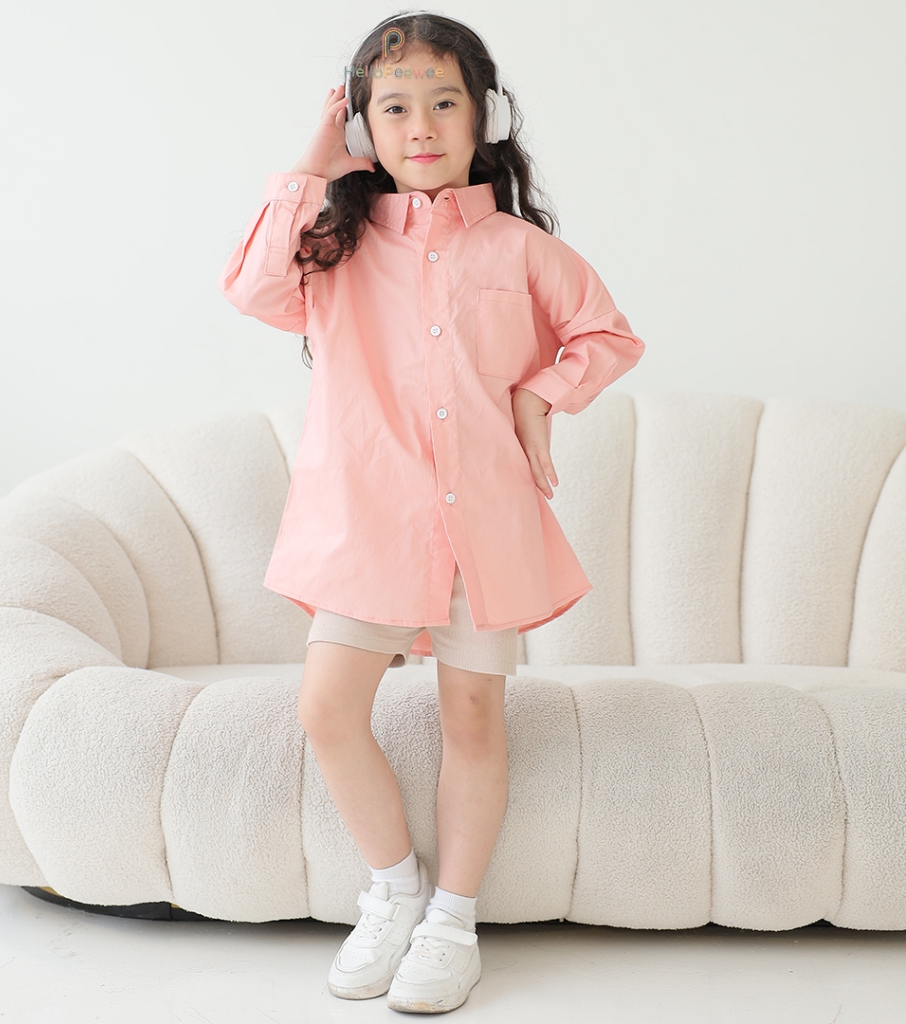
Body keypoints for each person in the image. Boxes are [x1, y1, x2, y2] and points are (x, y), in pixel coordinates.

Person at [219, 10, 645, 1014]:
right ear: (363, 126)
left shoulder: (522, 250)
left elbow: (607, 337)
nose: (420, 126)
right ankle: (393, 892)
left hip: (483, 526)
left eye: (444, 102)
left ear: (483, 116)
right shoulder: (334, 247)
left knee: (472, 716)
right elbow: (251, 287)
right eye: (394, 107)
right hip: (365, 526)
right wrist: (314, 162)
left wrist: (539, 394)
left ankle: (453, 921)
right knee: (326, 708)